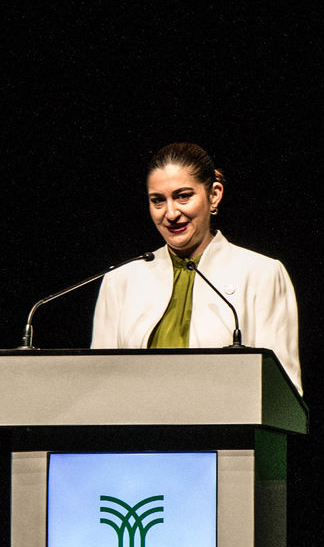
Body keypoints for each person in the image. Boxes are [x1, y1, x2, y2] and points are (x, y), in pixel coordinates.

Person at [91, 143, 303, 394]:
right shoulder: (121, 280)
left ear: (214, 195)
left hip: (229, 433)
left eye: (183, 196)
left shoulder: (262, 274)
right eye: (158, 201)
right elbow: (99, 386)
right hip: (137, 433)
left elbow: (282, 393)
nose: (171, 213)